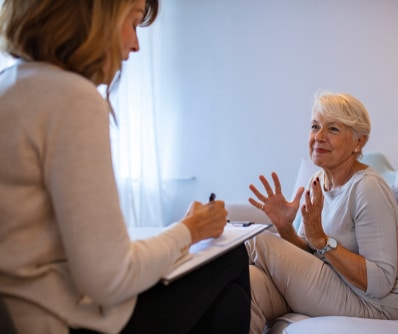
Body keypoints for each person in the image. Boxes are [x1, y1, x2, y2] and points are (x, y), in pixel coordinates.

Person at [0, 1, 250, 333]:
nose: (135, 45)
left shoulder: (11, 85)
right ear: (92, 17)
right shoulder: (71, 97)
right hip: (58, 319)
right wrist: (191, 230)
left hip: (22, 310)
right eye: (133, 23)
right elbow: (111, 277)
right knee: (230, 258)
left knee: (228, 297)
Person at [246, 91, 398, 333]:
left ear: (359, 142)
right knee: (248, 283)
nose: (319, 137)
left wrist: (322, 240)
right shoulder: (318, 180)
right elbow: (309, 250)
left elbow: (381, 282)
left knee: (256, 239)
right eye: (315, 126)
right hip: (334, 287)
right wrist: (284, 227)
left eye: (333, 129)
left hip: (377, 307)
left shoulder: (367, 187)